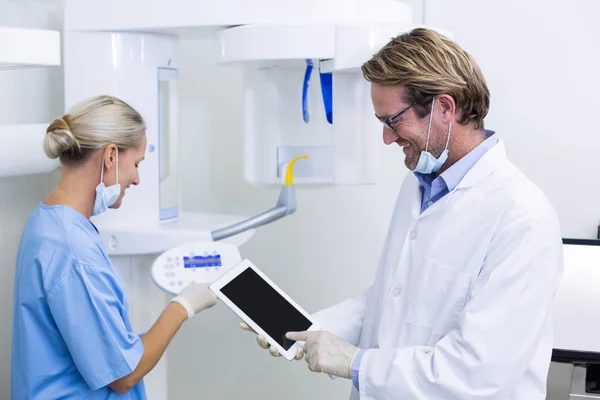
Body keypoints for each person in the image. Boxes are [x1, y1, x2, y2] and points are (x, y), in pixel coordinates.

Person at [242, 28, 564, 399]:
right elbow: (390, 300)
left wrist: (358, 363)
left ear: (444, 108)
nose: (387, 138)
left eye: (392, 121)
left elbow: (478, 370)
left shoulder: (522, 217)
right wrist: (311, 330)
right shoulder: (419, 186)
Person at [11, 95, 217, 399]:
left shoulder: (46, 221)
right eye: (136, 163)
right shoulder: (73, 249)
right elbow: (123, 374)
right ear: (110, 156)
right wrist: (183, 306)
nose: (136, 179)